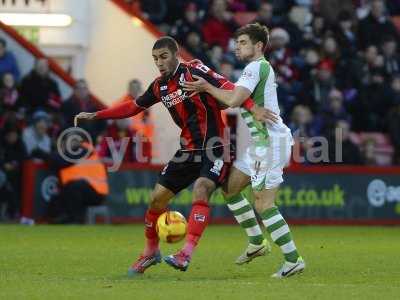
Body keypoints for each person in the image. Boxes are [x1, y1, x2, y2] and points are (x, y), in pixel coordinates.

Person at [75, 36, 272, 275]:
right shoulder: (159, 86)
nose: (159, 63)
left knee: (202, 188)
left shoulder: (195, 70)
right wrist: (98, 114)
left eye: (163, 57)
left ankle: (185, 253)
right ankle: (150, 252)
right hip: (187, 150)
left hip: (214, 146)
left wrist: (254, 108)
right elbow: (134, 106)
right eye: (155, 59)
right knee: (157, 199)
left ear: (176, 55)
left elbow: (230, 88)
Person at [184, 23, 305, 278]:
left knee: (263, 205)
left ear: (258, 45)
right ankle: (256, 242)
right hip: (260, 144)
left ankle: (293, 260)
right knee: (230, 189)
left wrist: (205, 87)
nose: (236, 47)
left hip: (271, 143)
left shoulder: (255, 67)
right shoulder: (256, 69)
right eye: (236, 43)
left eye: (242, 43)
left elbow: (232, 100)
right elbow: (234, 95)